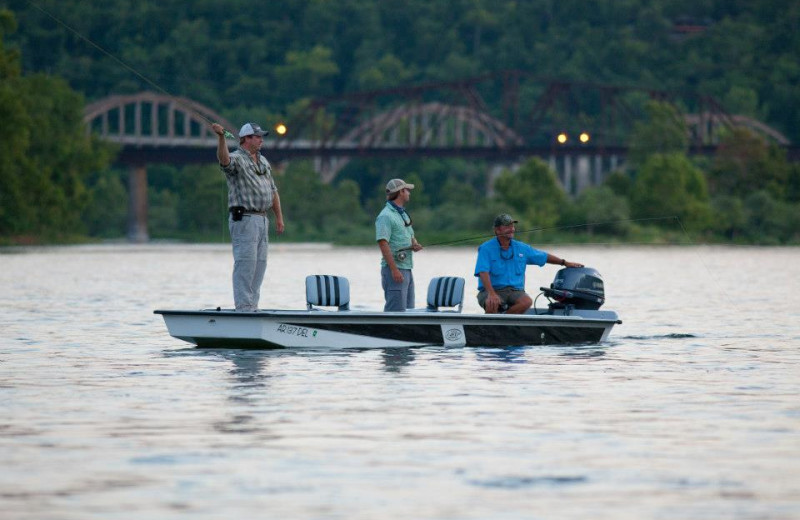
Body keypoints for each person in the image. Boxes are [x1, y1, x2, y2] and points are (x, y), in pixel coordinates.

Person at [212, 122, 285, 311]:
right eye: (258, 136)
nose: (261, 140)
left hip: (262, 219)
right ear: (246, 139)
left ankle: (252, 306)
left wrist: (279, 218)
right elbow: (224, 160)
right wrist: (221, 138)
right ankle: (243, 307)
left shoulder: (264, 161)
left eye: (262, 136)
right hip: (244, 219)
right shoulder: (236, 158)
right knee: (245, 264)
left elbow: (273, 190)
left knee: (260, 265)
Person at [474, 213, 583, 314]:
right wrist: (492, 294)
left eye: (512, 226)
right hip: (491, 290)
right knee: (492, 302)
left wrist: (564, 262)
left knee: (526, 302)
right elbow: (483, 272)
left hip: (515, 291)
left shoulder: (522, 248)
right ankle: (491, 328)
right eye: (507, 226)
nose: (511, 229)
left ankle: (505, 321)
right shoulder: (485, 248)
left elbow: (543, 256)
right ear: (497, 230)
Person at [375, 178, 423, 311]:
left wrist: (415, 244)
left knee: (409, 311)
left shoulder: (402, 214)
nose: (409, 193)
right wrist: (394, 270)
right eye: (407, 190)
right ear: (401, 192)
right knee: (395, 312)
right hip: (394, 270)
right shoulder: (385, 216)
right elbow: (383, 243)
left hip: (407, 268)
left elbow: (409, 235)